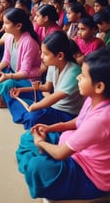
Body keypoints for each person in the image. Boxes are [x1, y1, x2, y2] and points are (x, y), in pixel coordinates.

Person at [16, 48, 110, 201]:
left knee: (38, 166)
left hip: (89, 176)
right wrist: (52, 127)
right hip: (76, 153)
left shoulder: (101, 119)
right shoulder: (93, 99)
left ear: (99, 86)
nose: (78, 77)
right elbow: (79, 121)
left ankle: (39, 172)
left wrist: (39, 141)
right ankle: (38, 168)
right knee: (28, 137)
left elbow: (60, 153)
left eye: (84, 76)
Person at [9, 31, 84, 129]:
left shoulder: (73, 72)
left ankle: (25, 115)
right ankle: (25, 114)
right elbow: (47, 88)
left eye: (45, 54)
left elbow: (52, 100)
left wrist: (34, 107)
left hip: (65, 113)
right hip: (52, 102)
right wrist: (21, 90)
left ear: (60, 56)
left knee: (33, 117)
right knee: (12, 92)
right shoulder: (54, 64)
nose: (41, 57)